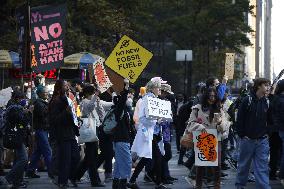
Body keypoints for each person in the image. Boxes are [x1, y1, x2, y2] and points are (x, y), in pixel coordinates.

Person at [128, 78, 168, 189]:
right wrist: (156, 120)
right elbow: (142, 118)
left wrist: (159, 119)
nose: (160, 89)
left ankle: (135, 180)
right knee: (152, 157)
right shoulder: (147, 99)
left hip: (152, 133)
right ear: (152, 88)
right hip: (147, 133)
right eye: (158, 87)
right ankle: (157, 183)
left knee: (150, 157)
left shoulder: (153, 99)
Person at [186, 87, 228, 189]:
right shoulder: (197, 108)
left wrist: (219, 123)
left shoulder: (220, 108)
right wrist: (200, 127)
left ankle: (217, 185)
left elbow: (224, 127)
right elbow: (191, 123)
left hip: (215, 138)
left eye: (214, 96)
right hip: (202, 137)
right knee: (201, 164)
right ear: (206, 96)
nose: (212, 98)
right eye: (210, 96)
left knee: (216, 165)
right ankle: (198, 185)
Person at [235, 78, 271, 189]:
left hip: (262, 140)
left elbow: (270, 119)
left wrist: (268, 133)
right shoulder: (248, 100)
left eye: (268, 85)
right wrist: (242, 134)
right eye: (266, 85)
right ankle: (240, 186)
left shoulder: (267, 101)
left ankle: (264, 187)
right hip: (248, 139)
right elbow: (239, 118)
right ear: (258, 86)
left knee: (262, 167)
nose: (268, 87)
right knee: (243, 166)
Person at [48, 80, 80, 188]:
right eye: (65, 85)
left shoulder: (68, 99)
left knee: (75, 156)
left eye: (68, 85)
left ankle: (71, 177)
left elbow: (71, 115)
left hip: (70, 132)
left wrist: (76, 119)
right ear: (59, 88)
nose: (67, 87)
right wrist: (66, 112)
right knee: (65, 159)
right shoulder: (56, 101)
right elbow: (54, 120)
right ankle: (63, 181)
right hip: (62, 134)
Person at [75, 85, 105, 187]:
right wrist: (95, 98)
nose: (93, 95)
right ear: (88, 93)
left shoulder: (93, 100)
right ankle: (95, 180)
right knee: (92, 157)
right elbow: (89, 108)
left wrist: (98, 102)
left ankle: (75, 176)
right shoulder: (84, 102)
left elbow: (101, 113)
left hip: (95, 128)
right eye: (92, 93)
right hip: (89, 128)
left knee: (90, 156)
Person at [0, 91, 30, 188]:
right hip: (15, 136)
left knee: (18, 159)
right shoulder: (14, 108)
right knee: (23, 159)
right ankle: (8, 178)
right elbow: (19, 120)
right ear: (17, 99)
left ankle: (17, 181)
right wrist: (26, 113)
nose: (24, 101)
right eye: (22, 99)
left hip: (18, 136)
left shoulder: (15, 107)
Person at [26, 86, 52, 179]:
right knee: (48, 151)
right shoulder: (39, 103)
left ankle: (30, 170)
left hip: (43, 129)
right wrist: (49, 106)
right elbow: (44, 115)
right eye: (45, 92)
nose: (47, 94)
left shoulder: (43, 103)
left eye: (47, 92)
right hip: (41, 130)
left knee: (38, 152)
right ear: (40, 93)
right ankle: (52, 172)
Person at [112, 78, 132, 189]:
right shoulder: (119, 109)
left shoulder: (124, 111)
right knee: (127, 162)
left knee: (119, 163)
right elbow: (123, 97)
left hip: (122, 139)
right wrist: (126, 86)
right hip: (121, 139)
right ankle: (123, 183)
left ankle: (116, 184)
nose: (130, 96)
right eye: (129, 95)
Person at [272, 79, 284, 186]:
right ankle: (281, 174)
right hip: (281, 129)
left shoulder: (276, 98)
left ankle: (280, 173)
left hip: (278, 129)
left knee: (279, 152)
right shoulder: (281, 100)